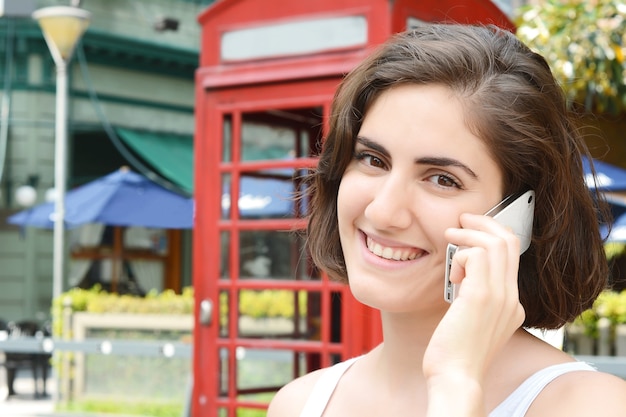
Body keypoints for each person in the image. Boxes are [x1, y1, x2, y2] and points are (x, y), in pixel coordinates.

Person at [267, 23, 626, 417]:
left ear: (519, 218)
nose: (382, 212)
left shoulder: (592, 406)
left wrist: (456, 382)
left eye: (442, 179)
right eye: (373, 160)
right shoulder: (299, 403)